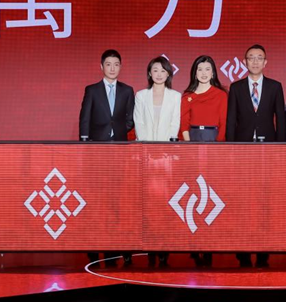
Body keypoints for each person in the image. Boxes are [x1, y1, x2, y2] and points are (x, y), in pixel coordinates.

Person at [226, 44, 286, 268]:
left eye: (259, 58)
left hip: (268, 152)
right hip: (241, 152)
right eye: (251, 58)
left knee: (265, 201)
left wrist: (280, 150)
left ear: (265, 62)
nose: (255, 61)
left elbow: (281, 119)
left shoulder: (275, 86)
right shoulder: (236, 87)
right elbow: (231, 120)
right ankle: (242, 251)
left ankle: (263, 251)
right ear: (244, 62)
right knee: (241, 202)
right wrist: (230, 151)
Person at [79, 49, 135, 267]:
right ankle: (93, 247)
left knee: (116, 200)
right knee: (95, 200)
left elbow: (130, 119)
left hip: (119, 152)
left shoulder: (127, 91)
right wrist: (86, 148)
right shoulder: (92, 90)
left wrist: (116, 133)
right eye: (108, 64)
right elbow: (84, 120)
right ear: (101, 66)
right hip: (96, 152)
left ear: (121, 67)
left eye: (116, 64)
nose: (112, 68)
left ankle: (113, 245)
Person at [179, 55, 228, 268]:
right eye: (200, 69)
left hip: (213, 141)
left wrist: (217, 148)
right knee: (193, 192)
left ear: (213, 72)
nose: (204, 73)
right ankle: (193, 242)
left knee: (211, 193)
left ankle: (209, 244)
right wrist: (189, 147)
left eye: (207, 69)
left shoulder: (221, 95)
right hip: (192, 141)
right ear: (194, 72)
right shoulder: (187, 96)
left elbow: (224, 123)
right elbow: (183, 124)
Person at [134, 56, 182, 268]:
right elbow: (139, 123)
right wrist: (148, 149)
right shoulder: (141, 95)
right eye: (155, 70)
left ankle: (163, 247)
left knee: (164, 201)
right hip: (145, 156)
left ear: (168, 73)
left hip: (165, 156)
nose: (159, 74)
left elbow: (174, 124)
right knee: (147, 202)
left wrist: (162, 150)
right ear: (149, 73)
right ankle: (148, 245)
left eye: (163, 70)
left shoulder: (175, 96)